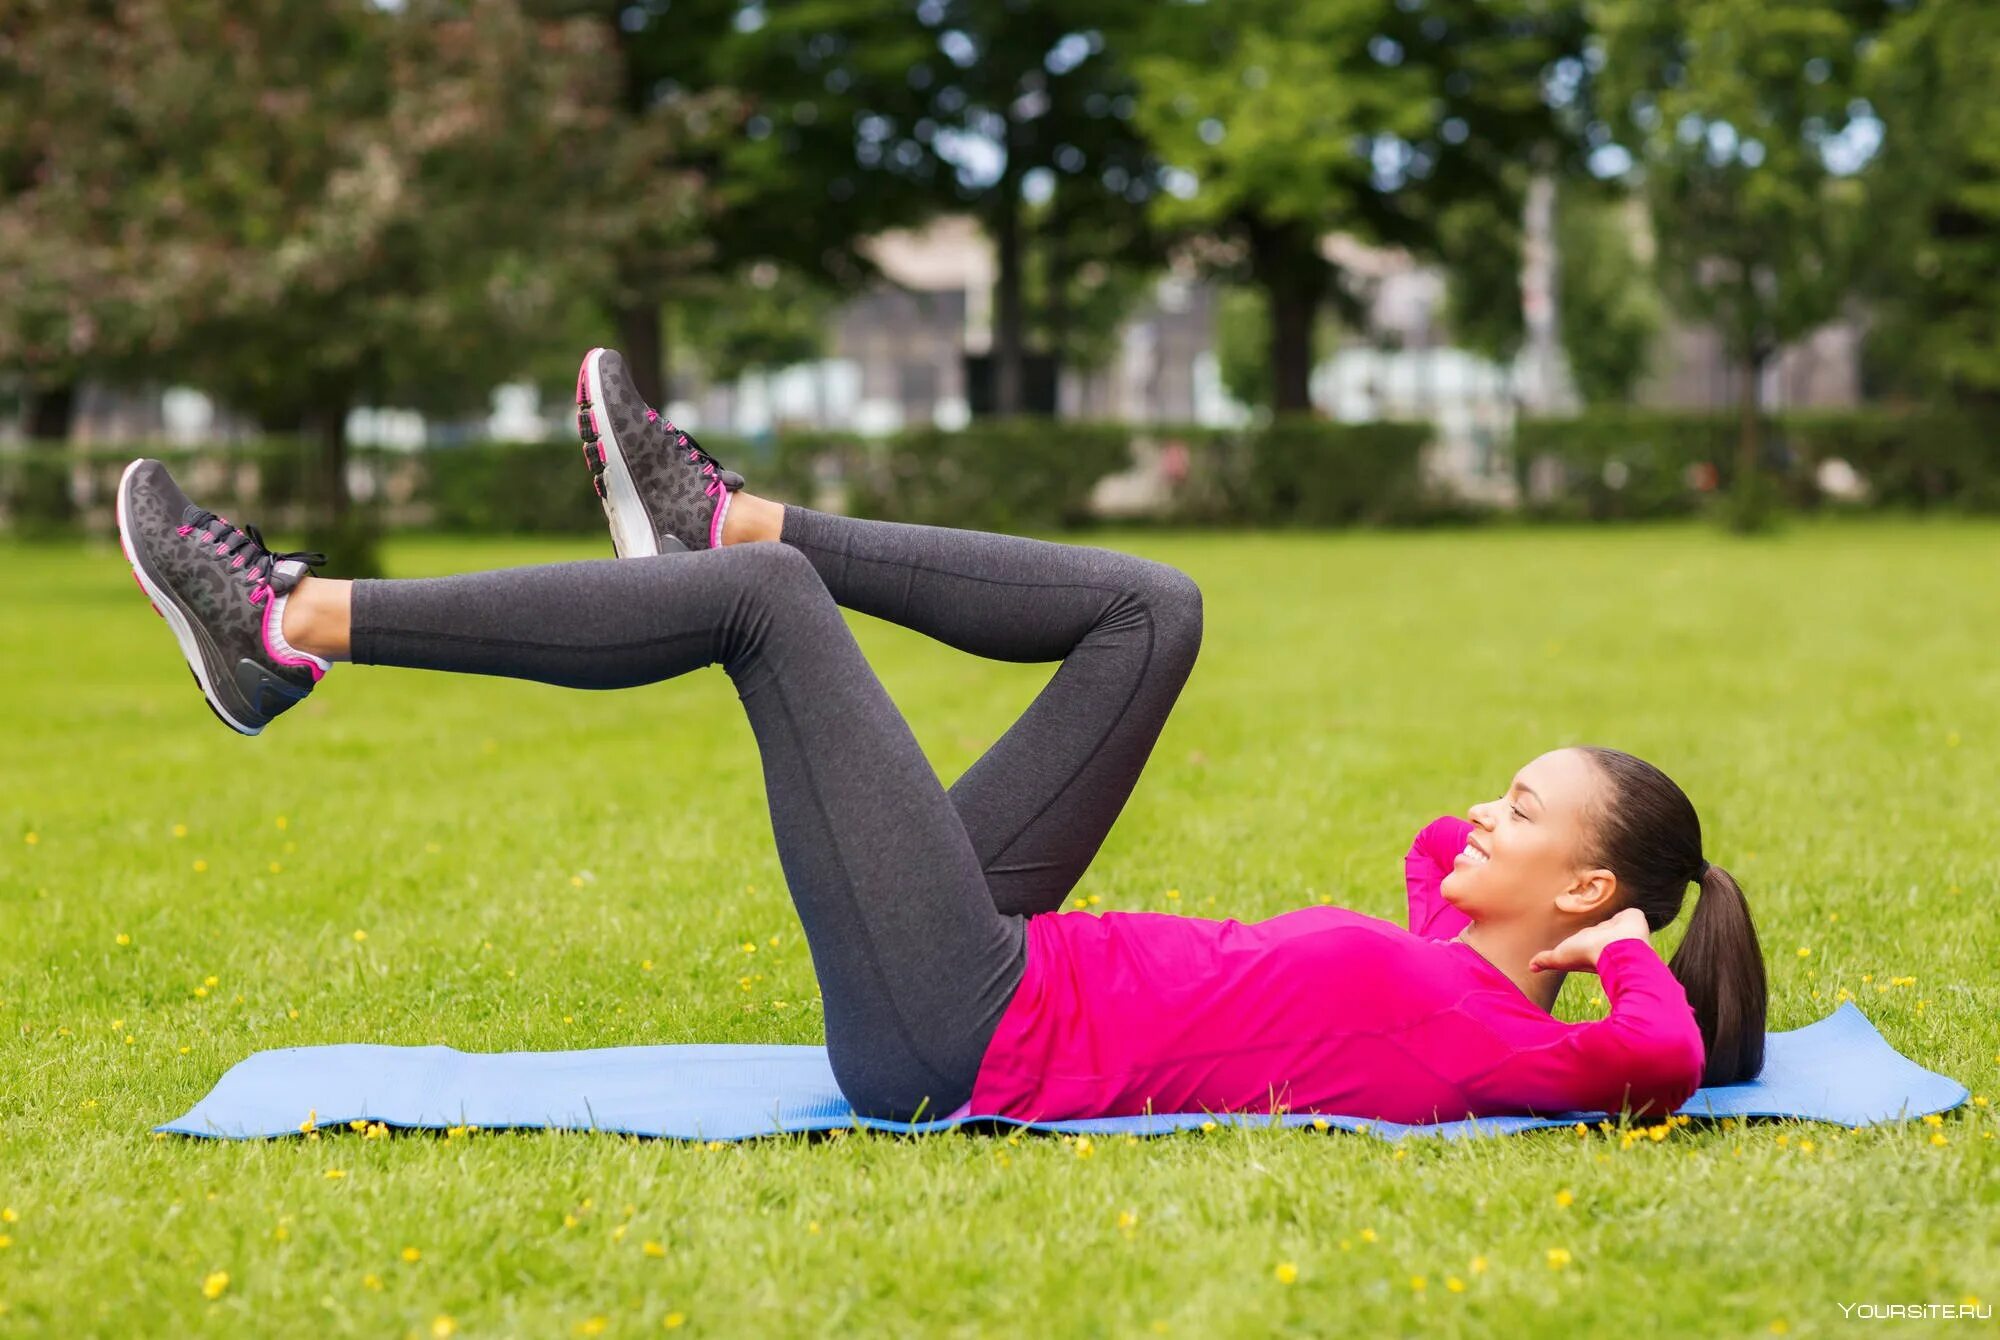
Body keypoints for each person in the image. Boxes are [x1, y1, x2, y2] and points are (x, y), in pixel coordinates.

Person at [113, 347, 1768, 1127]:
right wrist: (1551, 913)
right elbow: (1433, 871)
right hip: (999, 954)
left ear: (1590, 888)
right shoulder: (1465, 972)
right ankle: (728, 513)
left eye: (1527, 807)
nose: (1481, 810)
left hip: (968, 1029)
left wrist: (1628, 953)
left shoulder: (1532, 1046)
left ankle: (287, 629)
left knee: (768, 616)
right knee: (1155, 611)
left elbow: (1660, 1062)